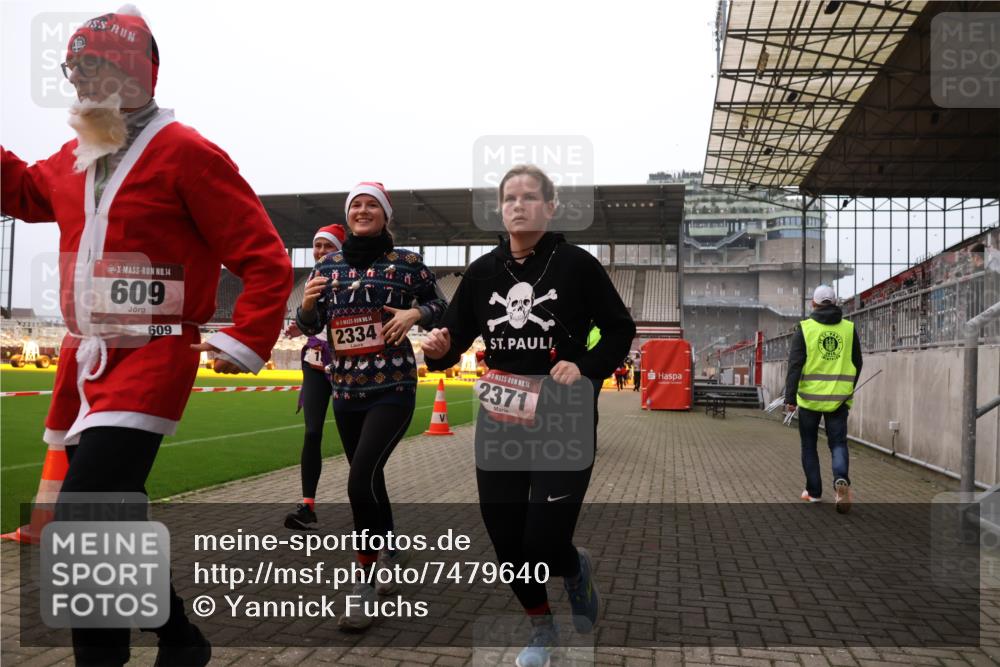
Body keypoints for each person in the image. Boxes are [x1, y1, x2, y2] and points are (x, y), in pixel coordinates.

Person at [1, 7, 292, 666]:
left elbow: (263, 254)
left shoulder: (188, 152)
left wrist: (247, 336)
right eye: (72, 68)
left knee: (82, 519)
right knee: (111, 519)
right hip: (82, 363)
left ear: (132, 71)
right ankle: (181, 639)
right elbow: (20, 189)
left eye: (92, 66)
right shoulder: (78, 155)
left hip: (153, 353)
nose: (77, 81)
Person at [422, 165, 635, 667]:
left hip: (565, 418)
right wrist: (437, 347)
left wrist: (584, 366)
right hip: (501, 420)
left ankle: (573, 566)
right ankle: (543, 629)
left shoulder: (577, 265)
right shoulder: (482, 272)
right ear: (501, 208)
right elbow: (450, 343)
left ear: (550, 207)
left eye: (529, 197)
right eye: (510, 198)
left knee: (542, 540)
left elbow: (620, 330)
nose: (518, 205)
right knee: (506, 541)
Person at [295, 182, 447, 630]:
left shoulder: (407, 263)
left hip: (392, 388)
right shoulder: (330, 265)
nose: (363, 211)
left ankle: (363, 583)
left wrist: (414, 315)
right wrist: (305, 306)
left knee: (358, 482)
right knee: (372, 477)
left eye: (371, 205)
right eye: (355, 205)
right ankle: (391, 548)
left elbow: (441, 304)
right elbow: (311, 325)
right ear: (349, 216)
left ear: (385, 215)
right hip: (345, 391)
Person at [284, 224, 346, 530]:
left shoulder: (349, 276)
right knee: (311, 433)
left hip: (347, 364)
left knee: (356, 440)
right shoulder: (311, 278)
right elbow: (308, 319)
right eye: (317, 245)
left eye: (328, 246)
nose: (321, 251)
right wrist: (300, 325)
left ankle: (372, 511)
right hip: (314, 363)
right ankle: (307, 506)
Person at [785, 285, 863, 514]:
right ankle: (841, 479)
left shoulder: (805, 328)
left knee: (809, 445)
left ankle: (814, 492)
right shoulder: (848, 328)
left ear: (813, 303)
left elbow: (795, 365)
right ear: (835, 302)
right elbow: (858, 362)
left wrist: (790, 397)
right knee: (837, 443)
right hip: (839, 399)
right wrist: (848, 388)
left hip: (809, 400)